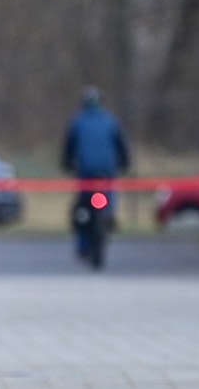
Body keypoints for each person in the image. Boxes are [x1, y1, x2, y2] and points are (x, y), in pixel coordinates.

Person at [60, 86, 130, 269]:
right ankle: (109, 216)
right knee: (108, 201)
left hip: (86, 173)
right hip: (107, 173)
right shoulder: (110, 120)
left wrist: (66, 163)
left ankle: (83, 246)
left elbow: (68, 147)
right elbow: (122, 146)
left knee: (82, 210)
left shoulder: (78, 121)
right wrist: (124, 163)